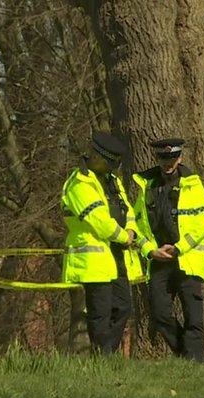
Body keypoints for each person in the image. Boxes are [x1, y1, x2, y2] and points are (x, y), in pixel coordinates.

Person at [61, 131, 144, 353]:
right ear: (96, 157)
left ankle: (106, 354)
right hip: (93, 261)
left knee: (123, 307)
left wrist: (131, 230)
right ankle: (103, 359)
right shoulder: (79, 183)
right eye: (109, 164)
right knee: (101, 313)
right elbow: (99, 221)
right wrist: (123, 236)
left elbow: (128, 211)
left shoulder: (113, 182)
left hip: (117, 256)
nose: (112, 170)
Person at [130, 138, 204, 362]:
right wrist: (150, 251)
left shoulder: (193, 184)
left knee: (193, 316)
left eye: (172, 158)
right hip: (158, 260)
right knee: (159, 313)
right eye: (163, 158)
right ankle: (185, 355)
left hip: (186, 258)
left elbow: (202, 223)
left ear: (180, 158)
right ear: (156, 158)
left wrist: (179, 248)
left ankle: (196, 362)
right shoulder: (146, 186)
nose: (168, 163)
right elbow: (136, 225)